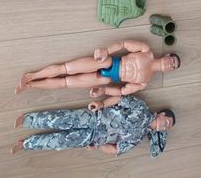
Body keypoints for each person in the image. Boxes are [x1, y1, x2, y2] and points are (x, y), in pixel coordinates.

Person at [11, 95, 175, 157]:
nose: (165, 126)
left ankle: (26, 144)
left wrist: (98, 146)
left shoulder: (138, 138)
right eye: (167, 121)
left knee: (59, 142)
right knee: (60, 118)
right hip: (94, 118)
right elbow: (120, 98)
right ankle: (28, 120)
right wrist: (102, 104)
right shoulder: (142, 108)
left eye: (167, 127)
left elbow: (116, 150)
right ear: (161, 114)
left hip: (93, 138)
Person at [15, 39, 180, 96]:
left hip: (105, 79)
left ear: (168, 71)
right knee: (66, 68)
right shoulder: (146, 50)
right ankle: (32, 75)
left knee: (66, 82)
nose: (170, 64)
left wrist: (104, 91)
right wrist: (107, 50)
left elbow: (122, 91)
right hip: (107, 62)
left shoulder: (145, 82)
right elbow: (123, 44)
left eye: (173, 67)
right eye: (172, 61)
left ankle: (30, 85)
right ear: (167, 55)